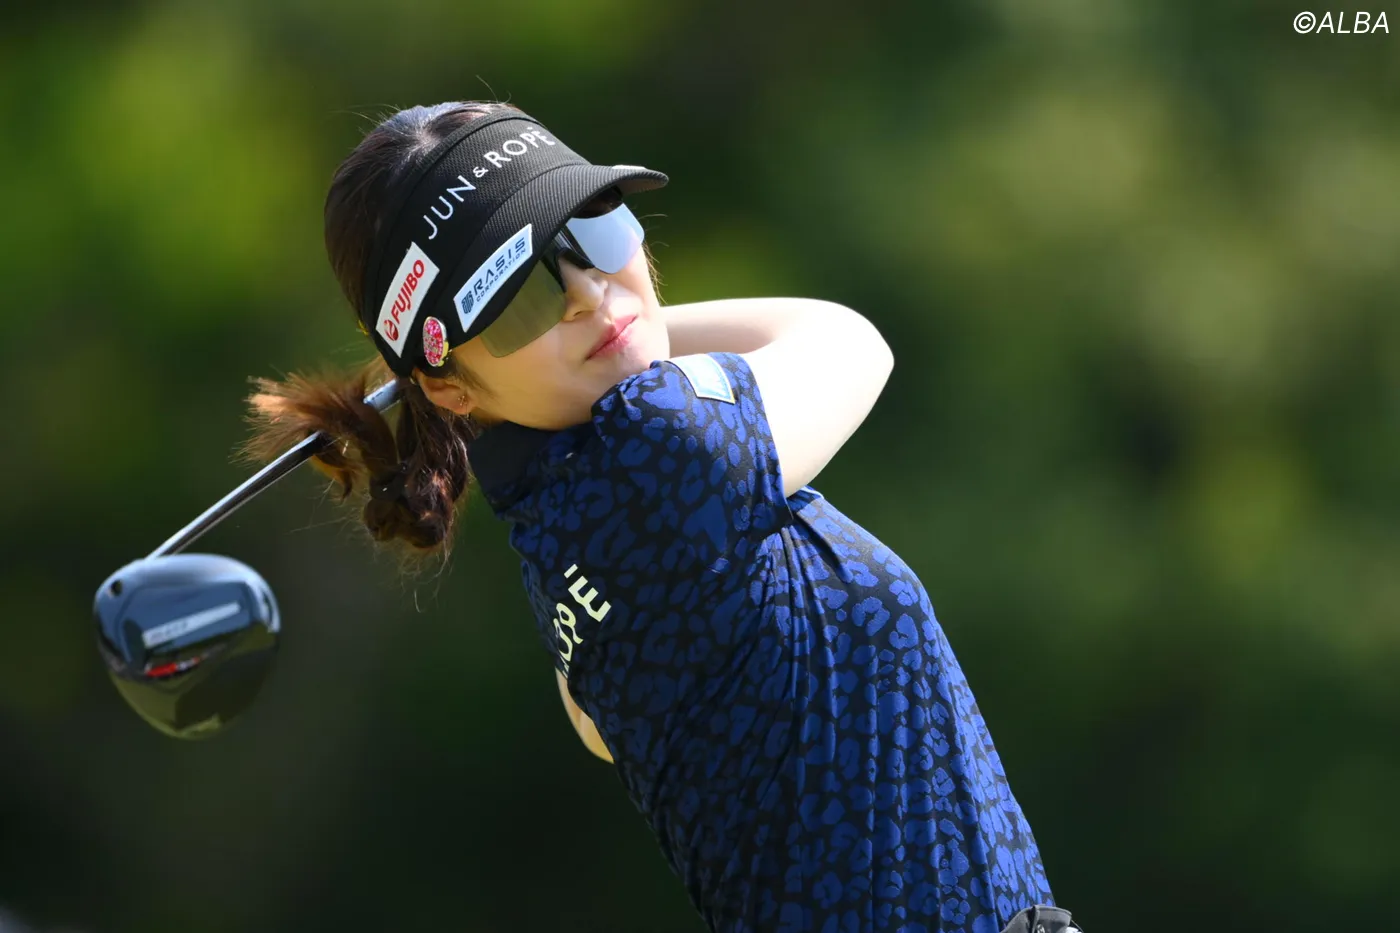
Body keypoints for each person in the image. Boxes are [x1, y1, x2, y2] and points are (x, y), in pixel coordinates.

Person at [243, 100, 1080, 933]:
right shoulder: (660, 448)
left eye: (594, 229)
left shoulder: (552, 526)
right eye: (520, 292)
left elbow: (599, 725)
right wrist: (631, 323)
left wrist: (530, 362)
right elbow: (848, 338)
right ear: (445, 384)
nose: (586, 291)